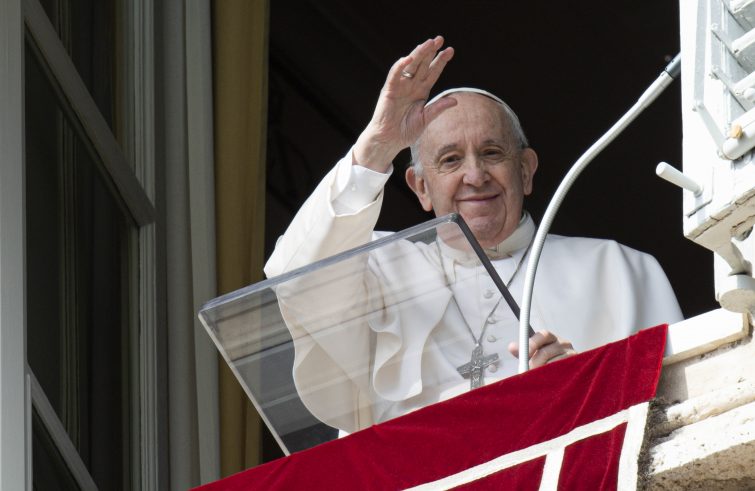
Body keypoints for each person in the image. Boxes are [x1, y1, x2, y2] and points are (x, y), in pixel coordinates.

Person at [264, 36, 682, 433]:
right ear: (421, 188)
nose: (475, 176)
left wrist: (587, 393)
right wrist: (376, 146)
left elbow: (680, 412)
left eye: (491, 153)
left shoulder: (620, 270)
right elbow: (295, 278)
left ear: (526, 170)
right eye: (449, 160)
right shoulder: (382, 272)